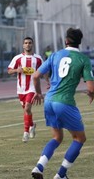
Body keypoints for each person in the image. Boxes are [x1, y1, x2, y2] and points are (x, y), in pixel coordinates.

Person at [31, 28, 94, 179]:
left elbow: (35, 76)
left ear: (66, 41)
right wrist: (91, 94)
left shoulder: (55, 55)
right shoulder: (83, 59)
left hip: (49, 100)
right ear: (80, 42)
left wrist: (39, 93)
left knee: (57, 137)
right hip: (64, 102)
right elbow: (91, 87)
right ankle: (61, 175)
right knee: (79, 138)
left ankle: (39, 167)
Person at [7, 37, 49, 142]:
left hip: (33, 88)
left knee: (27, 108)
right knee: (27, 111)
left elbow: (44, 71)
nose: (28, 45)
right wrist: (17, 70)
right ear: (23, 45)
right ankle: (32, 124)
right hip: (21, 89)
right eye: (26, 43)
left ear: (32, 45)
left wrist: (47, 81)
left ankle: (25, 132)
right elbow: (9, 71)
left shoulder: (38, 58)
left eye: (30, 43)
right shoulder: (18, 58)